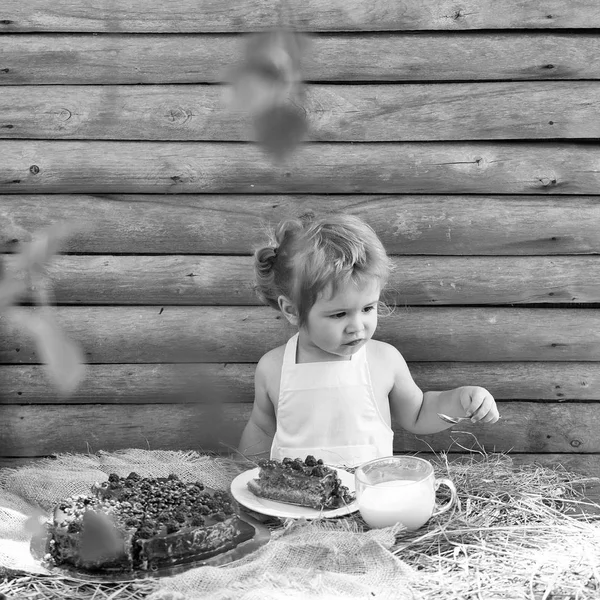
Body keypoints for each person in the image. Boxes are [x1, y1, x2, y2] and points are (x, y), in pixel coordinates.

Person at [238, 213, 499, 466]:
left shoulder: (383, 360)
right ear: (292, 310)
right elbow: (261, 428)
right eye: (339, 314)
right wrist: (243, 478)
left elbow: (418, 413)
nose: (357, 327)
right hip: (295, 504)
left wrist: (462, 400)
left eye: (367, 309)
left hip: (369, 501)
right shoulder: (272, 368)